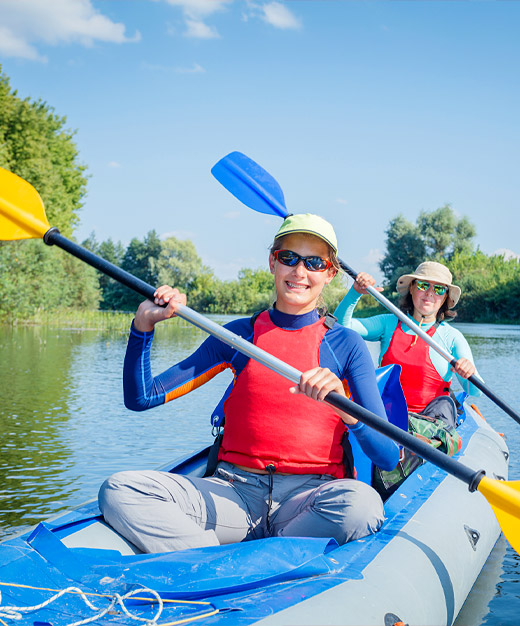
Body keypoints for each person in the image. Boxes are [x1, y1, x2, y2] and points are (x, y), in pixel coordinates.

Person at [99, 214, 400, 554]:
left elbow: (388, 458)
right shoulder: (238, 336)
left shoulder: (345, 344)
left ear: (330, 274)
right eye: (289, 258)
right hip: (233, 493)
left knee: (363, 505)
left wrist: (346, 411)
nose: (299, 272)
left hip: (308, 501)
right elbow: (142, 397)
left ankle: (240, 556)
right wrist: (142, 328)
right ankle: (216, 567)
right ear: (273, 262)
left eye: (315, 263)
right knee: (120, 489)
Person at [334, 261, 482, 428]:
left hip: (428, 424)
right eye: (423, 285)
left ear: (445, 297)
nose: (429, 293)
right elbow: (340, 327)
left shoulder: (452, 337)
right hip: (385, 418)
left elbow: (475, 391)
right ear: (412, 288)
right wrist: (355, 293)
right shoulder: (388, 323)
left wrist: (469, 373)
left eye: (439, 289)